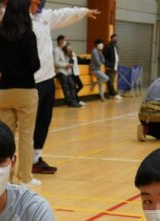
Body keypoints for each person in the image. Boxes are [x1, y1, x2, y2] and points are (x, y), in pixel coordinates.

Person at [0, 0, 41, 189]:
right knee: (26, 136)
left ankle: (6, 178)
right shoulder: (28, 35)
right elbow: (35, 64)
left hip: (5, 91)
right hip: (26, 91)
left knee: (6, 137)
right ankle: (25, 177)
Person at [30, 0, 98, 175]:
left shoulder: (44, 17)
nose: (41, 3)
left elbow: (63, 14)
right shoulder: (18, 19)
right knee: (26, 126)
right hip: (30, 82)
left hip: (47, 78)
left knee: (44, 121)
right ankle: (14, 161)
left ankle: (36, 159)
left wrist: (83, 11)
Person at [54, 36, 81, 108]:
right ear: (60, 41)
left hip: (67, 71)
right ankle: (69, 102)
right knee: (65, 86)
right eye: (63, 40)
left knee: (72, 85)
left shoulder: (64, 50)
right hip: (60, 71)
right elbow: (56, 63)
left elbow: (70, 59)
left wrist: (69, 51)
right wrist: (65, 65)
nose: (65, 42)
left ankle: (74, 100)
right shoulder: (56, 50)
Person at [103, 33, 121, 99]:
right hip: (109, 66)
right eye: (114, 38)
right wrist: (107, 63)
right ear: (111, 38)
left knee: (112, 81)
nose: (116, 39)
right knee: (110, 80)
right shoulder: (108, 46)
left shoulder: (116, 46)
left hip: (115, 66)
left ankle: (110, 94)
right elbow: (104, 55)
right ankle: (114, 94)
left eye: (116, 38)